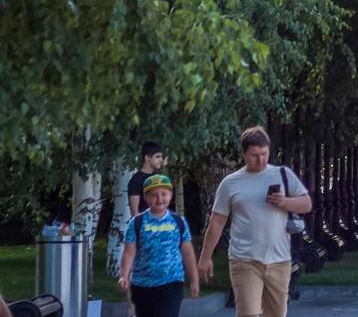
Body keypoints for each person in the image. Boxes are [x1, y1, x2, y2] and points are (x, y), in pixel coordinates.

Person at [198, 127, 312, 317]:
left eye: (264, 153)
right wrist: (205, 256)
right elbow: (217, 222)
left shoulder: (282, 174)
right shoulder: (230, 183)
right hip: (244, 260)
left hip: (279, 260)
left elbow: (306, 204)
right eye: (254, 155)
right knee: (248, 313)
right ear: (243, 153)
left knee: (275, 314)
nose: (260, 160)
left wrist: (285, 202)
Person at [118, 174, 199, 317]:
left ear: (170, 195)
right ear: (145, 197)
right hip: (142, 285)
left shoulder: (178, 221)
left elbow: (187, 252)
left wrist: (194, 280)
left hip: (171, 283)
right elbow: (129, 252)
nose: (160, 199)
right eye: (154, 195)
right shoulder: (137, 222)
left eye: (164, 194)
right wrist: (123, 275)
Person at [128, 141, 166, 219]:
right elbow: (134, 212)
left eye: (161, 157)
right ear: (147, 158)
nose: (161, 160)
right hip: (145, 226)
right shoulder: (136, 180)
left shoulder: (157, 178)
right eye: (157, 157)